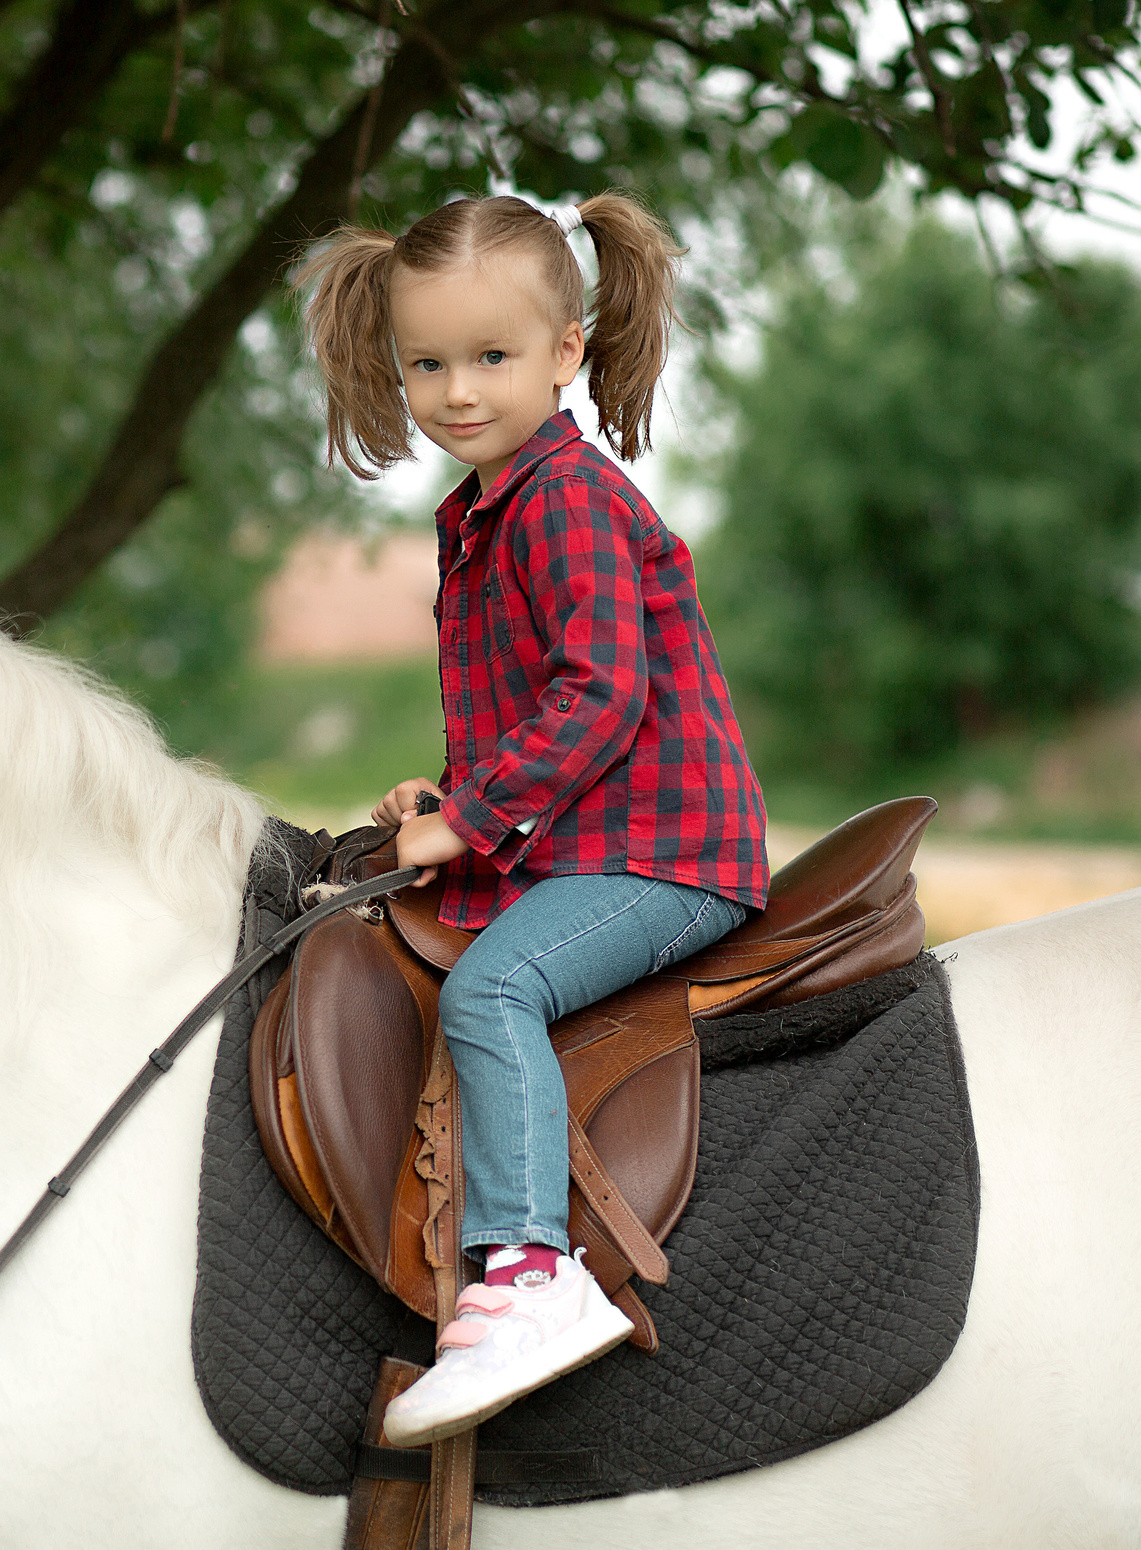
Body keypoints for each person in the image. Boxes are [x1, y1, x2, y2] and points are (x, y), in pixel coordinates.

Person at [298, 193, 769, 1448]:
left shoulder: (562, 499)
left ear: (566, 351)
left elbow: (603, 692)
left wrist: (474, 820)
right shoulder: (483, 507)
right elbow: (536, 704)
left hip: (664, 858)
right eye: (427, 364)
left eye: (491, 357)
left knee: (490, 994)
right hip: (587, 841)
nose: (456, 391)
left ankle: (526, 1277)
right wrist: (446, 797)